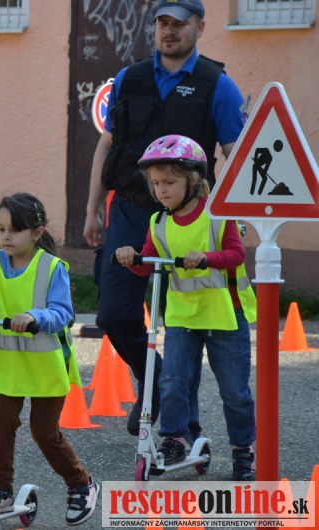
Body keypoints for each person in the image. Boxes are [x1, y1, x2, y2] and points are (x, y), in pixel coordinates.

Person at [82, 0, 247, 436]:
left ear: (200, 27)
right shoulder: (128, 78)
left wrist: (232, 217)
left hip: (188, 218)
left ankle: (181, 432)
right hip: (130, 209)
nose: (169, 31)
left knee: (180, 328)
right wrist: (92, 207)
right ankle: (152, 379)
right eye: (163, 23)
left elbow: (236, 156)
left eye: (180, 24)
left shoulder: (217, 85)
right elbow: (107, 144)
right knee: (114, 314)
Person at [0, 193, 100, 526]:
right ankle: (1, 490)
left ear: (37, 233)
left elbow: (62, 312)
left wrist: (34, 316)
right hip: (9, 366)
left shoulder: (51, 268)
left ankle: (81, 483)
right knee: (2, 422)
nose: (6, 237)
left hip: (45, 366)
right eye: (0, 229)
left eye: (15, 230)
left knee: (44, 432)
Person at [115, 135, 256, 480]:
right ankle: (176, 439)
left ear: (192, 181)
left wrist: (206, 258)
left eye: (169, 182)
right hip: (181, 315)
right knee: (172, 381)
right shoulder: (159, 223)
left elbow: (236, 254)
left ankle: (243, 450)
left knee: (234, 392)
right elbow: (149, 264)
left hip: (224, 315)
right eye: (156, 183)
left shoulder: (217, 215)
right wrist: (133, 258)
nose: (161, 190)